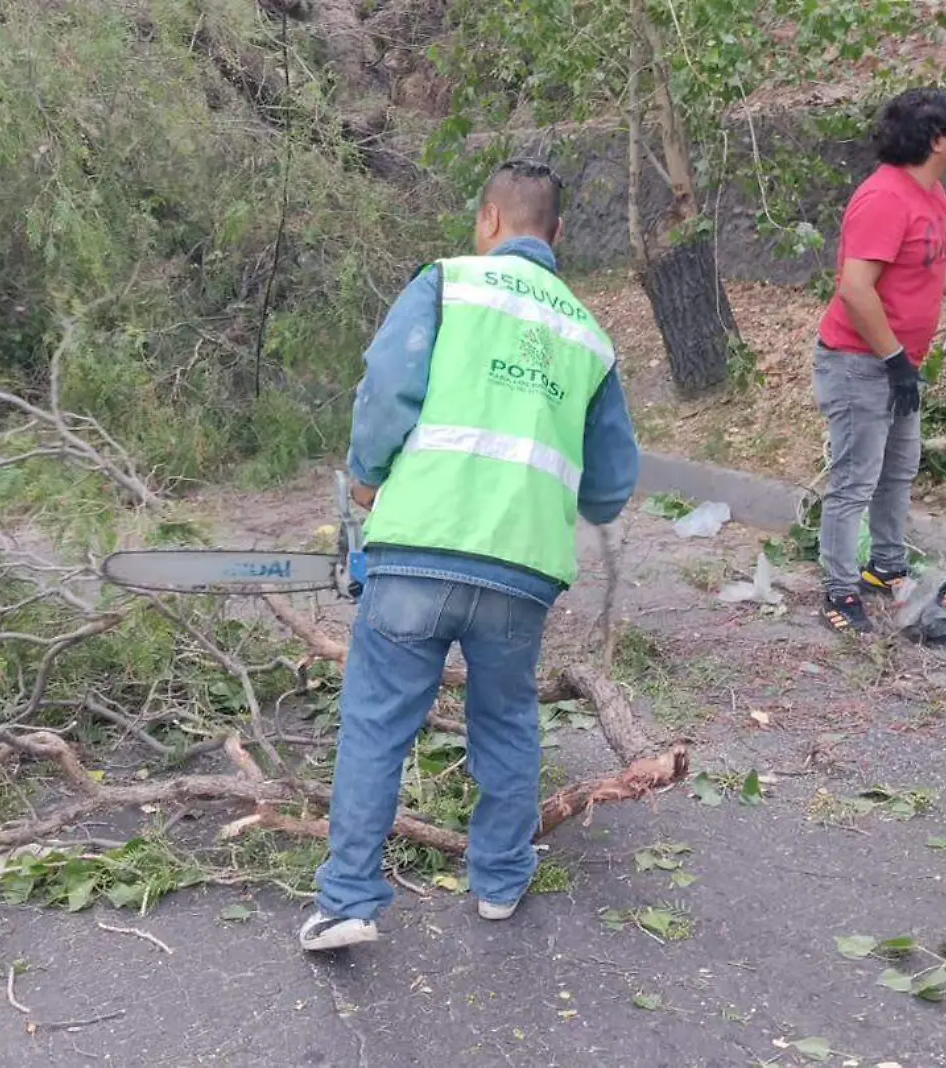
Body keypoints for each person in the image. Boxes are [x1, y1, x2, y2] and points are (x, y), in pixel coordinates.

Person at [300, 158, 641, 951]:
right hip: (522, 571)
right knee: (508, 719)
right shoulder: (588, 335)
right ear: (556, 236)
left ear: (489, 222)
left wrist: (365, 479)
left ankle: (349, 897)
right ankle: (499, 881)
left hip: (418, 547)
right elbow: (610, 486)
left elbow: (387, 389)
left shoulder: (446, 284)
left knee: (378, 723)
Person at [812, 87, 946, 634]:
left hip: (898, 364)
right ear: (938, 139)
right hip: (860, 363)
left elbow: (929, 270)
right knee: (854, 481)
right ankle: (838, 593)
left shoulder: (931, 195)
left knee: (897, 471)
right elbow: (855, 290)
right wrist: (893, 359)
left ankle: (885, 569)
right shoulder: (883, 199)